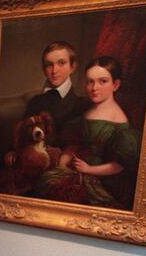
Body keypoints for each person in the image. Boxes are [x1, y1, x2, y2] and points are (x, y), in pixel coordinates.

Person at [33, 56, 140, 209]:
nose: (94, 88)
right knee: (46, 181)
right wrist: (64, 160)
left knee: (63, 194)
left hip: (102, 180)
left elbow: (119, 165)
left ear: (115, 85)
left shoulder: (119, 119)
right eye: (90, 81)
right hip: (79, 168)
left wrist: (89, 169)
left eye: (102, 81)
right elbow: (77, 143)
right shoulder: (88, 111)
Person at [4, 41, 88, 167]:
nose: (54, 70)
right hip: (32, 163)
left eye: (61, 63)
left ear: (73, 66)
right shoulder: (36, 101)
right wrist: (12, 151)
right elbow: (21, 133)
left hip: (63, 166)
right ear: (44, 69)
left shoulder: (81, 105)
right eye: (49, 65)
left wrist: (63, 154)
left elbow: (82, 145)